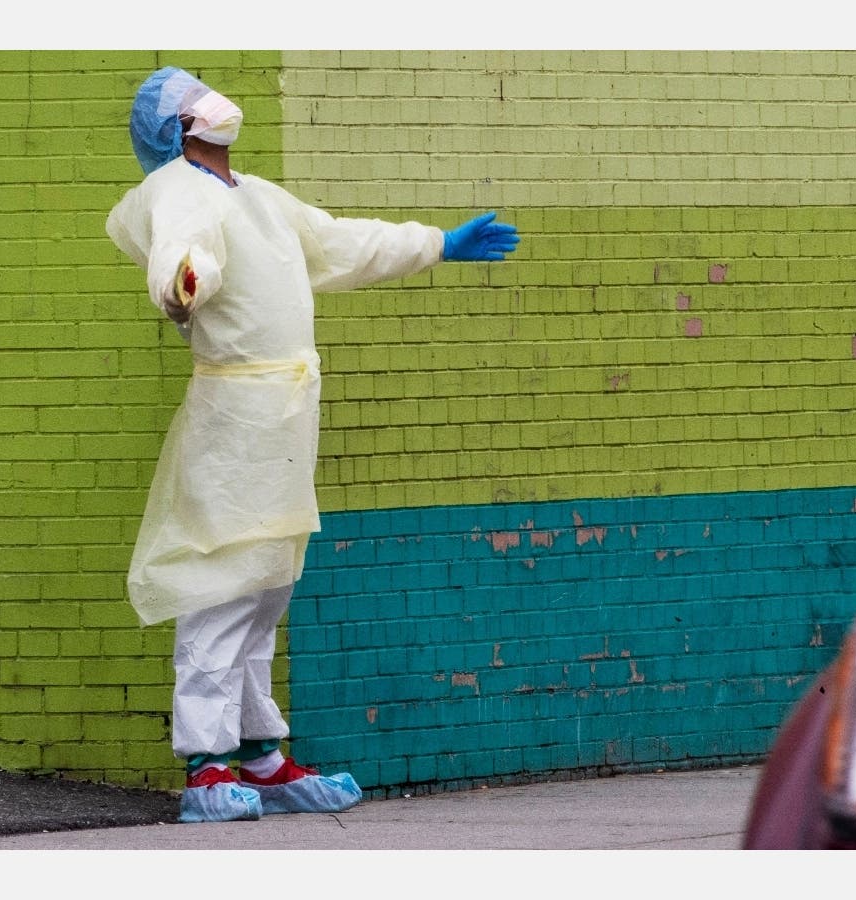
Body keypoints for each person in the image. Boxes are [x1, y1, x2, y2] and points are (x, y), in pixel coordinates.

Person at [105, 66, 520, 824]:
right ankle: (204, 764)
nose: (208, 98)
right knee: (220, 585)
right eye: (187, 98)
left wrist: (435, 244)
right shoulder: (177, 189)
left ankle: (260, 754)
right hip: (235, 416)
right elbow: (182, 254)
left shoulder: (257, 196)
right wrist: (182, 282)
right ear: (176, 130)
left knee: (266, 589)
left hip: (285, 415)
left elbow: (339, 243)